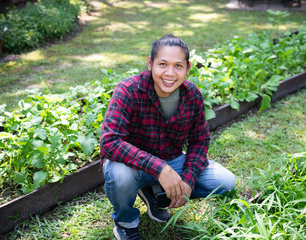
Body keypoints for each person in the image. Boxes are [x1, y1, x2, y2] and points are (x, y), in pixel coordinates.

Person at [100, 34, 236, 240]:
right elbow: (110, 142)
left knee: (225, 182)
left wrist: (188, 180)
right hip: (133, 166)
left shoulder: (192, 95)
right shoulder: (128, 90)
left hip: (172, 161)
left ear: (188, 68)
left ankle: (154, 194)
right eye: (163, 64)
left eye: (178, 66)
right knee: (120, 176)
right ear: (150, 63)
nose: (170, 73)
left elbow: (200, 141)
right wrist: (161, 169)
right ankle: (126, 222)